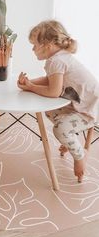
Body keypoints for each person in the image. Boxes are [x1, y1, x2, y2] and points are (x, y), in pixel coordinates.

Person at [17, 20, 99, 182]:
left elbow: (53, 91)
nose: (33, 49)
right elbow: (50, 80)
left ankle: (80, 155)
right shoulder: (59, 58)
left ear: (47, 45)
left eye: (34, 45)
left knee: (60, 129)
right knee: (49, 110)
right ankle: (70, 139)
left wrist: (31, 87)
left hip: (89, 109)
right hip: (78, 104)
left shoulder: (57, 61)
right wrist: (30, 83)